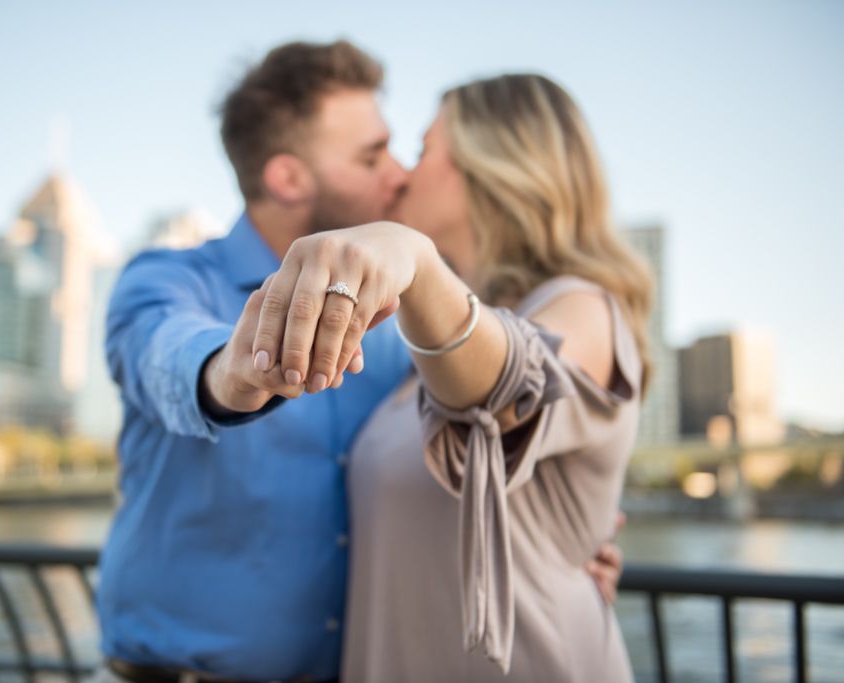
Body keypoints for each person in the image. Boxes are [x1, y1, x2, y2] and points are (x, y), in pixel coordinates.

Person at [98, 39, 626, 682]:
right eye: (372, 155)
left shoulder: (399, 327)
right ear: (289, 178)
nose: (397, 172)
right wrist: (235, 370)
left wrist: (555, 535)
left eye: (406, 149)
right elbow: (166, 357)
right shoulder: (168, 281)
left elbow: (490, 421)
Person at [247, 73, 651, 682]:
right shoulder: (413, 352)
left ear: (494, 169)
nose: (404, 173)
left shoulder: (584, 306)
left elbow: (506, 389)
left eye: (424, 147)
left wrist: (411, 257)